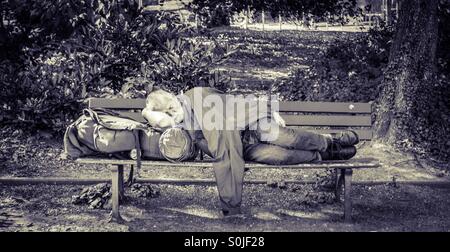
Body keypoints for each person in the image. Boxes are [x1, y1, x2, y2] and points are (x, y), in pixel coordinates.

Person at [142, 87, 359, 216]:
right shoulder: (182, 125)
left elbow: (238, 105)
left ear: (173, 102)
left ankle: (331, 142)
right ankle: (323, 156)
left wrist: (269, 111)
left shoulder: (198, 95)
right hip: (241, 147)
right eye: (170, 114)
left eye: (173, 109)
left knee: (283, 136)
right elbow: (158, 120)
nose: (173, 118)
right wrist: (149, 111)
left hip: (252, 124)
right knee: (279, 156)